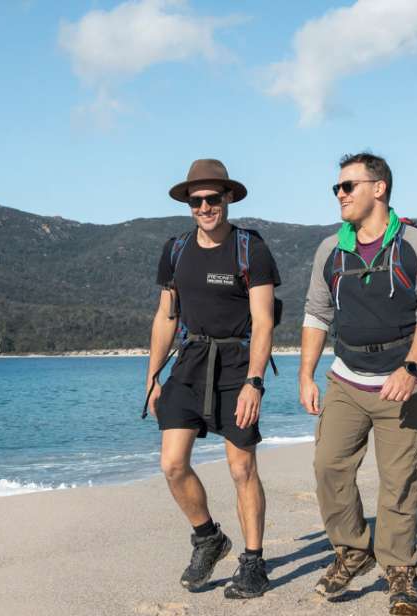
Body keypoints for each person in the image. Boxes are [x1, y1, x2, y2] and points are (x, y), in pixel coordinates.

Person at [300, 152, 417, 610]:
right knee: (329, 466)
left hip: (402, 384)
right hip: (346, 380)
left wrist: (411, 367)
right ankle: (353, 550)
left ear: (378, 188)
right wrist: (306, 374)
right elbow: (316, 313)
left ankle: (400, 570)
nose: (340, 195)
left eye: (348, 186)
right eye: (337, 188)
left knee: (398, 481)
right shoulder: (330, 249)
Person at [144, 159, 280, 599]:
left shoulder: (250, 249)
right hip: (189, 363)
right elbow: (166, 318)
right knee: (172, 464)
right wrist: (151, 377)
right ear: (188, 203)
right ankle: (208, 538)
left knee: (241, 468)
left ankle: (253, 563)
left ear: (228, 199)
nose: (205, 206)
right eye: (196, 200)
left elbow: (263, 322)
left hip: (237, 365)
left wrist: (254, 381)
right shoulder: (176, 249)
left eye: (212, 199)